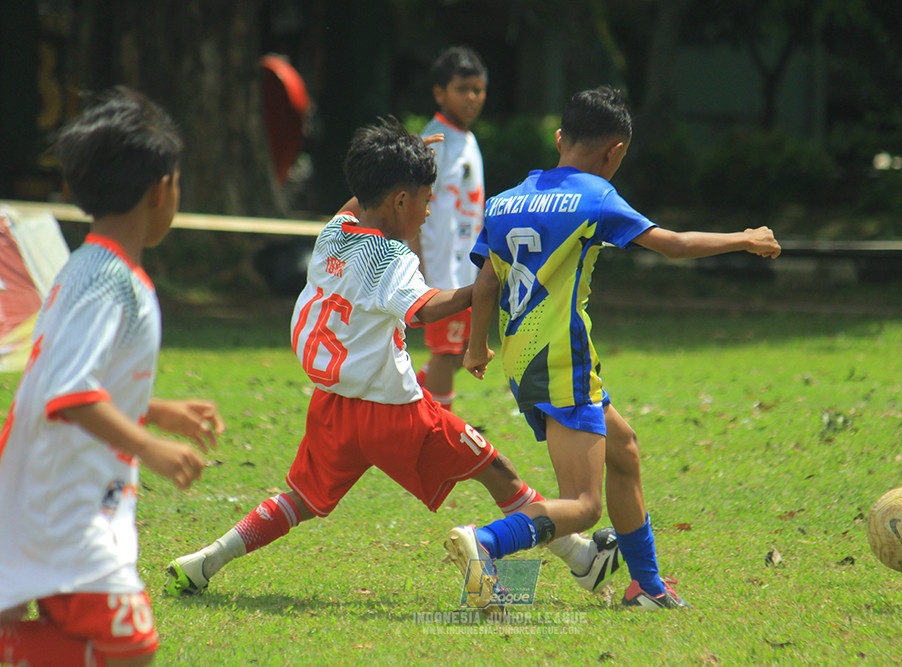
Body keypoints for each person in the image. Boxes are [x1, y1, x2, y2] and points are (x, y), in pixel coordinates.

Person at [166, 117, 619, 608]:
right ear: (401, 200)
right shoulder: (390, 257)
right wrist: (485, 287)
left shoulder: (335, 233)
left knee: (299, 499)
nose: (429, 210)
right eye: (427, 197)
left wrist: (393, 163)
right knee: (495, 469)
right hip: (395, 412)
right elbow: (425, 308)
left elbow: (358, 201)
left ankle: (207, 560)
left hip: (335, 405)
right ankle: (566, 558)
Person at [450, 86, 782, 610]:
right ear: (615, 151)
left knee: (623, 451)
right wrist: (744, 237)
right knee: (582, 506)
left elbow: (486, 283)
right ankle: (485, 544)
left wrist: (474, 350)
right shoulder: (594, 196)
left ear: (560, 138)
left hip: (523, 358)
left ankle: (646, 587)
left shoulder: (504, 200)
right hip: (562, 360)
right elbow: (671, 244)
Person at [0, 86, 224, 667]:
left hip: (46, 492)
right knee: (131, 645)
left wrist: (157, 408)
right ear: (161, 189)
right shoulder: (109, 281)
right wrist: (152, 446)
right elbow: (69, 392)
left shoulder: (89, 266)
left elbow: (79, 379)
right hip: (62, 504)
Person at [410, 46, 488, 411]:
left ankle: (413, 404)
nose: (472, 97)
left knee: (457, 353)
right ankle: (437, 430)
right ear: (440, 93)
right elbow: (413, 206)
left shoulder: (468, 140)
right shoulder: (435, 142)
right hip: (442, 271)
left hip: (466, 269)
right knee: (445, 353)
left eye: (478, 89)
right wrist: (418, 261)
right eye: (462, 89)